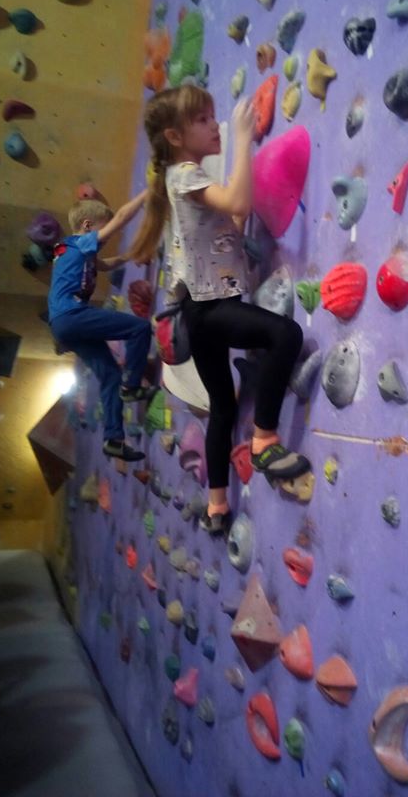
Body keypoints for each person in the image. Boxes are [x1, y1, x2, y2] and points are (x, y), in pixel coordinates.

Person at [127, 85, 310, 535]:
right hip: (209, 309)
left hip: (200, 312)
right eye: (203, 120)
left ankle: (216, 506)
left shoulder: (179, 180)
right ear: (175, 136)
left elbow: (228, 220)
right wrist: (243, 139)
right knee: (285, 335)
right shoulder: (185, 175)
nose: (214, 126)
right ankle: (264, 440)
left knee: (223, 407)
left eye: (213, 118)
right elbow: (238, 203)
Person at [48, 193, 153, 461]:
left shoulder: (71, 251)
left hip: (62, 324)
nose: (103, 241)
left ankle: (114, 439)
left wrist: (130, 255)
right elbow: (121, 218)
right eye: (101, 233)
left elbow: (105, 265)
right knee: (139, 328)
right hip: (72, 315)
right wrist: (146, 194)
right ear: (86, 225)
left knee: (109, 375)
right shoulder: (79, 243)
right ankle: (131, 387)